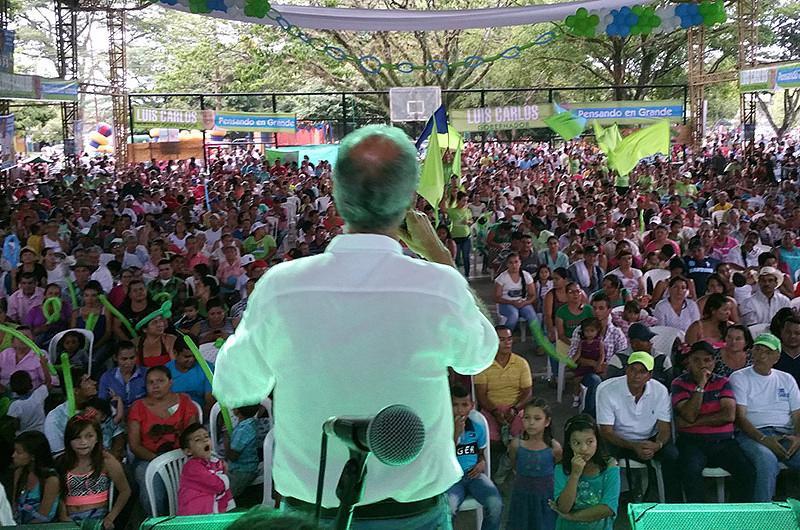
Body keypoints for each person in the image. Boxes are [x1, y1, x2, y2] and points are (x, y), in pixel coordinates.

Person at [213, 125, 498, 526]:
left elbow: (235, 387)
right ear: (407, 205)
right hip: (414, 516)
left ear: (336, 195)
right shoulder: (439, 284)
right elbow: (479, 356)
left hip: (309, 515)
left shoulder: (280, 287)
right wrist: (440, 258)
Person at [671, 341, 755, 502]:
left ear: (714, 362)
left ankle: (737, 519)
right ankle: (701, 521)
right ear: (689, 361)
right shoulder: (679, 383)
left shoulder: (723, 382)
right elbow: (689, 414)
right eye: (697, 360)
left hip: (723, 442)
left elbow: (728, 416)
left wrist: (693, 423)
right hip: (692, 443)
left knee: (747, 471)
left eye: (707, 360)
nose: (703, 365)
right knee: (690, 471)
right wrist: (701, 385)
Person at [596, 351, 681, 502]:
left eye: (642, 372)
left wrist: (657, 445)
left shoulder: (660, 391)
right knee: (601, 456)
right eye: (633, 369)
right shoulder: (607, 391)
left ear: (649, 375)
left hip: (650, 438)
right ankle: (605, 503)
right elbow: (606, 431)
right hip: (617, 439)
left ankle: (672, 506)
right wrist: (634, 446)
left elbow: (664, 427)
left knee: (673, 456)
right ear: (626, 370)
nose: (636, 375)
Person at [730, 333, 800, 502]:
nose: (761, 355)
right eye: (758, 349)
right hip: (752, 435)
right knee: (766, 460)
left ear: (777, 356)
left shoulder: (786, 379)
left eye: (767, 352)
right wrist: (763, 439)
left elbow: (797, 414)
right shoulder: (739, 377)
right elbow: (740, 418)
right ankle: (763, 517)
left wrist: (798, 437)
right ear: (751, 352)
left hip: (785, 434)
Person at [129, 366, 199, 515]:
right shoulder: (138, 407)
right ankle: (157, 522)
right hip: (148, 459)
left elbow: (194, 434)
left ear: (170, 382)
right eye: (150, 382)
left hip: (182, 456)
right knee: (152, 494)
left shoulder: (185, 401)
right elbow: (134, 445)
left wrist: (178, 457)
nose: (155, 385)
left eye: (160, 381)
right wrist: (158, 461)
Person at [475, 325, 533, 473]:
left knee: (525, 432)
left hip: (516, 407)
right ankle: (505, 460)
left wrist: (514, 409)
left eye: (509, 339)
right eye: (502, 339)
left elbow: (527, 392)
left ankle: (510, 462)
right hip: (491, 408)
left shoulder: (521, 363)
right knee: (490, 438)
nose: (507, 343)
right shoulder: (484, 364)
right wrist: (495, 412)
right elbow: (481, 395)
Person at [56, 415, 131, 527]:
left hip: (97, 516)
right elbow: (59, 493)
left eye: (89, 436)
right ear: (69, 440)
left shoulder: (106, 461)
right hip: (69, 518)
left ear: (97, 438)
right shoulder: (62, 462)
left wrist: (110, 518)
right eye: (77, 437)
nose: (83, 442)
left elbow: (125, 491)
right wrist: (63, 516)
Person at [446, 385, 502, 530]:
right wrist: (456, 434)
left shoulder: (477, 426)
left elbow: (482, 453)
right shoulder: (443, 428)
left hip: (474, 475)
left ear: (472, 405)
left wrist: (481, 462)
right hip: (452, 479)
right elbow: (442, 456)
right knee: (447, 510)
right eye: (455, 405)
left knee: (495, 504)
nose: (459, 410)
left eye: (464, 405)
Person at [550, 414, 620, 530]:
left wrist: (572, 517)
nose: (584, 449)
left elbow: (608, 508)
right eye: (577, 443)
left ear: (597, 441)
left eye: (590, 442)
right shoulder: (561, 469)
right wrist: (575, 474)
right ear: (569, 444)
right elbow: (563, 507)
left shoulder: (610, 466)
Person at [507, 398, 561, 530]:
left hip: (545, 499)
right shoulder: (516, 444)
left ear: (547, 421)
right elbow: (515, 464)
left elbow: (558, 471)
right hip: (521, 497)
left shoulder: (554, 448)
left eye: (537, 419)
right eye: (527, 418)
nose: (531, 423)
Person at [177, 423, 235, 516]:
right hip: (195, 518)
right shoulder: (192, 467)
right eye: (198, 440)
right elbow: (218, 485)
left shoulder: (212, 461)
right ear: (188, 451)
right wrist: (224, 477)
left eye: (206, 436)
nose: (205, 440)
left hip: (210, 513)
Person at [11, 431, 59, 524]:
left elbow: (43, 516)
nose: (13, 455)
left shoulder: (51, 480)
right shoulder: (19, 473)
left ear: (33, 456)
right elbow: (14, 506)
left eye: (18, 452)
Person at [606, 323, 673, 388]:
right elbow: (609, 386)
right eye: (646, 340)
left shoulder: (662, 359)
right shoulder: (618, 359)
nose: (651, 343)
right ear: (634, 343)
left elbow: (670, 386)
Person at [166, 338, 215, 416]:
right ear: (175, 353)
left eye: (195, 355)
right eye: (187, 356)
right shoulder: (165, 371)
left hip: (200, 414)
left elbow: (210, 402)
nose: (192, 360)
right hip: (172, 415)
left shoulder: (207, 368)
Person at [224, 404, 263, 499]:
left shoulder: (243, 429)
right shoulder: (249, 424)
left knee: (226, 495)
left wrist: (226, 441)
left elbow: (233, 456)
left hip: (242, 471)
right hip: (244, 468)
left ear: (236, 410)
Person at [569, 317, 606, 413]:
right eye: (587, 331)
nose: (589, 333)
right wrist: (572, 361)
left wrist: (599, 364)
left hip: (595, 366)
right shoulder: (582, 342)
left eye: (592, 331)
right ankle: (576, 397)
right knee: (576, 379)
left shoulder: (599, 343)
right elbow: (578, 354)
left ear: (597, 331)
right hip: (584, 366)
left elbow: (602, 355)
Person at [97, 341, 147, 412]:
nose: (129, 362)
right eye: (124, 359)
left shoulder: (146, 373)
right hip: (116, 418)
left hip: (142, 415)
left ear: (136, 356)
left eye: (132, 358)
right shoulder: (107, 377)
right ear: (115, 358)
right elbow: (102, 402)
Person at [494, 252, 537, 332]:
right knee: (513, 315)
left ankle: (539, 341)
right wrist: (512, 302)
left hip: (523, 303)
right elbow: (497, 298)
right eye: (511, 263)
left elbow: (533, 295)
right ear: (507, 264)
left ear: (520, 263)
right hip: (506, 303)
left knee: (532, 316)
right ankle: (506, 337)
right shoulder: (502, 277)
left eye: (516, 262)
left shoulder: (526, 275)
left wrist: (526, 302)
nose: (514, 265)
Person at [0, 326, 52, 392]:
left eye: (26, 337)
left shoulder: (40, 354)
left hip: (30, 397)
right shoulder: (5, 354)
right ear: (12, 342)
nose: (23, 339)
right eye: (19, 337)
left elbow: (50, 384)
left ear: (33, 340)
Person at [7, 370, 49, 436]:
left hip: (23, 437)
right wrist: (44, 364)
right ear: (30, 383)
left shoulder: (15, 405)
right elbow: (48, 381)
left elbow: (14, 426)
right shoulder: (38, 394)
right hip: (41, 433)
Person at [774, 315, 800, 386]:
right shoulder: (771, 355)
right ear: (781, 332)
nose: (792, 336)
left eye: (797, 333)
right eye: (788, 332)